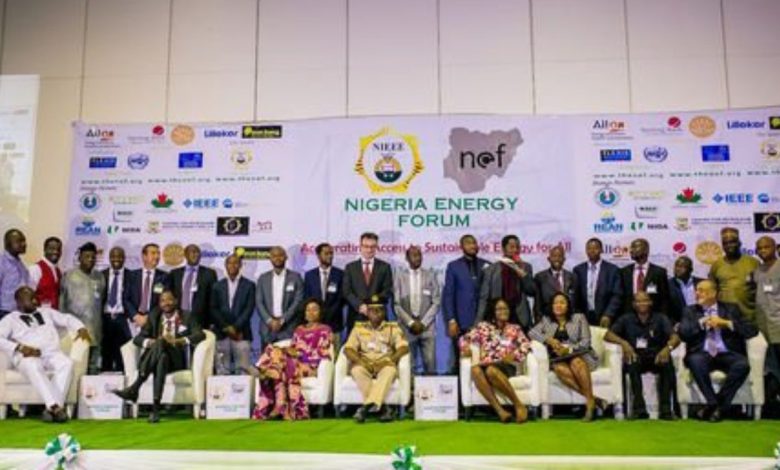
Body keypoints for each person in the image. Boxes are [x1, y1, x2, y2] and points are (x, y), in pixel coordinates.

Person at [0, 286, 91, 422]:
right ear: (19, 302)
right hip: (26, 356)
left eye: (35, 297)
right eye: (31, 299)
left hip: (51, 353)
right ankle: (54, 406)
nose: (35, 301)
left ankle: (52, 409)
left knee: (66, 363)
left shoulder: (46, 312)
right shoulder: (10, 319)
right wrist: (20, 347)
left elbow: (66, 318)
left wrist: (80, 328)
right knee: (33, 365)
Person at [112, 290, 205, 423]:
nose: (166, 303)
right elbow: (138, 339)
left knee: (161, 344)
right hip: (158, 359)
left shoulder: (187, 316)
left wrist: (180, 341)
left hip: (176, 360)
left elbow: (200, 334)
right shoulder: (154, 316)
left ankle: (136, 387)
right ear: (159, 303)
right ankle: (155, 410)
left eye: (169, 300)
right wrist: (150, 342)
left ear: (176, 301)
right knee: (162, 357)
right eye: (163, 301)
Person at [679, 280, 758, 422]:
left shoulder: (731, 309)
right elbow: (683, 333)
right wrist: (700, 323)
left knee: (742, 365)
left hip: (726, 353)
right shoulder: (690, 311)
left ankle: (716, 406)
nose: (697, 293)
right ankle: (714, 403)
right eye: (697, 290)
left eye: (702, 290)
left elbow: (752, 330)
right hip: (702, 353)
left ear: (713, 293)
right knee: (695, 360)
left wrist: (726, 323)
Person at [252, 298, 332, 420]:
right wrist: (290, 351)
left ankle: (266, 370)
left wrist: (300, 355)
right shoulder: (299, 330)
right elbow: (293, 348)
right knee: (273, 349)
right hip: (292, 363)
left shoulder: (325, 330)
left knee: (281, 365)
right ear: (304, 313)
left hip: (309, 366)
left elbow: (323, 353)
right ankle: (279, 403)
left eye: (314, 309)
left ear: (321, 312)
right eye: (308, 310)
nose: (311, 312)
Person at [605, 291, 680, 420]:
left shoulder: (660, 318)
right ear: (634, 304)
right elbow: (607, 334)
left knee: (667, 364)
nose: (642, 303)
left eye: (645, 300)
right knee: (631, 363)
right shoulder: (626, 319)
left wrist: (668, 348)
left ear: (650, 302)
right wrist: (624, 343)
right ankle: (639, 410)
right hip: (636, 355)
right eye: (638, 301)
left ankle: (666, 410)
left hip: (657, 355)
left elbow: (675, 337)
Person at [529, 293, 603, 421]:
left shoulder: (579, 318)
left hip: (579, 354)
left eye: (562, 302)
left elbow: (586, 342)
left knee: (576, 363)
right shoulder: (547, 320)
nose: (558, 305)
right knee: (559, 369)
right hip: (558, 358)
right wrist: (548, 340)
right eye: (555, 303)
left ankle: (590, 405)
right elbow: (532, 332)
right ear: (552, 306)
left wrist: (568, 349)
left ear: (568, 305)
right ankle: (592, 399)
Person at [459, 298, 531, 423]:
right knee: (475, 369)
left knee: (491, 371)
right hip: (486, 363)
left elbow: (526, 345)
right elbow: (463, 339)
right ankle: (500, 411)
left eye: (505, 308)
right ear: (493, 311)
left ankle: (518, 405)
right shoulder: (483, 327)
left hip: (506, 365)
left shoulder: (515, 328)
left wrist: (514, 355)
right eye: (499, 309)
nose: (503, 311)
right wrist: (466, 348)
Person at [344, 295, 409, 423]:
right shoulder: (358, 328)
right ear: (367, 312)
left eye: (379, 309)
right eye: (372, 310)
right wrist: (361, 362)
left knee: (390, 371)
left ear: (384, 312)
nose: (376, 313)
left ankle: (365, 408)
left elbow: (403, 348)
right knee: (356, 370)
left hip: (384, 363)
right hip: (365, 363)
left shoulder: (393, 328)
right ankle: (383, 409)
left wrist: (391, 360)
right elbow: (348, 349)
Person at [442, 234, 490, 373]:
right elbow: (448, 295)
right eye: (468, 243)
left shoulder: (487, 265)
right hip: (462, 321)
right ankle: (461, 387)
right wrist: (451, 320)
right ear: (462, 247)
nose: (472, 246)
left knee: (484, 359)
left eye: (474, 243)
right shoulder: (453, 266)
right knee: (462, 359)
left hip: (484, 320)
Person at [59, 242, 105, 374]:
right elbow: (62, 303)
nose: (90, 259)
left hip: (95, 330)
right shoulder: (69, 276)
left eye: (93, 257)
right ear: (79, 258)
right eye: (86, 256)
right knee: (77, 368)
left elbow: (102, 300)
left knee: (93, 368)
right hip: (77, 331)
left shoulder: (100, 277)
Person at [393, 245, 440, 375]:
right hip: (407, 327)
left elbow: (436, 302)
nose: (418, 258)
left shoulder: (430, 275)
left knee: (430, 363)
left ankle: (431, 387)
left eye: (419, 255)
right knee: (408, 365)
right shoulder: (399, 276)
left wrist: (423, 323)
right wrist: (411, 323)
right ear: (407, 258)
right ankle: (409, 388)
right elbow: (396, 304)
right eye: (414, 255)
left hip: (427, 327)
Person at [210, 254, 255, 375]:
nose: (233, 265)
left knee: (243, 371)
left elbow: (249, 309)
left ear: (240, 265)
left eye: (236, 263)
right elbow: (213, 309)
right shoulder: (217, 286)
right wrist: (226, 327)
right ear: (225, 265)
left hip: (242, 334)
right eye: (230, 263)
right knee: (222, 371)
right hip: (221, 333)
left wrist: (235, 327)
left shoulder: (249, 285)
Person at [478, 235, 535, 329]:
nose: (515, 250)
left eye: (517, 247)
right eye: (512, 247)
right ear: (504, 249)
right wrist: (478, 321)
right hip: (498, 315)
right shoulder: (491, 270)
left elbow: (531, 291)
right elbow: (484, 297)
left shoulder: (526, 267)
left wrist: (523, 274)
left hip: (520, 315)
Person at [342, 232, 393, 337]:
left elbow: (387, 291)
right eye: (366, 246)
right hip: (356, 318)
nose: (369, 250)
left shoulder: (385, 267)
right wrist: (360, 305)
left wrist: (371, 307)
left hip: (378, 319)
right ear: (360, 247)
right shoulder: (350, 267)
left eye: (372, 247)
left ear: (377, 247)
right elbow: (346, 291)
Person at [709, 227, 759, 324]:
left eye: (732, 242)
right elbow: (713, 290)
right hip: (725, 318)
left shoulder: (753, 263)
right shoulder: (716, 265)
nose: (729, 246)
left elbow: (760, 290)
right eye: (725, 243)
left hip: (748, 316)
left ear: (739, 243)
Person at [256, 246, 304, 346]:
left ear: (286, 257)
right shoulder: (263, 278)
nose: (277, 258)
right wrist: (269, 321)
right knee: (266, 356)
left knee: (288, 356)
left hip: (288, 328)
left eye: (280, 255)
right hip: (267, 329)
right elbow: (259, 302)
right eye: (274, 256)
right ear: (270, 258)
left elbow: (298, 301)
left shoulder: (296, 277)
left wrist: (282, 320)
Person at [753, 237, 780, 406]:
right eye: (759, 248)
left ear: (775, 248)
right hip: (764, 327)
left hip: (779, 324)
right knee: (771, 366)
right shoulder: (758, 270)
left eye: (766, 247)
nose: (763, 250)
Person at [573, 237, 623, 327]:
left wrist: (608, 314)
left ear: (601, 250)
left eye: (595, 248)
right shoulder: (578, 270)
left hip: (605, 316)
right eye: (589, 248)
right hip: (583, 316)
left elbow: (617, 295)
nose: (592, 251)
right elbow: (575, 295)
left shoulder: (612, 270)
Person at [303, 243, 345, 349]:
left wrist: (326, 314)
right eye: (326, 253)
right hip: (314, 325)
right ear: (318, 256)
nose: (330, 256)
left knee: (334, 355)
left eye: (331, 253)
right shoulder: (309, 275)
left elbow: (342, 298)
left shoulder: (340, 274)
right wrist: (316, 315)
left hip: (334, 324)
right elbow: (307, 298)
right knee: (314, 354)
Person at [123, 243, 170, 332]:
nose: (157, 256)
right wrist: (135, 316)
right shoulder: (131, 275)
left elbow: (163, 301)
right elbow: (125, 298)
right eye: (153, 253)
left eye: (158, 253)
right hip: (133, 322)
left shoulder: (164, 277)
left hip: (154, 322)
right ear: (144, 256)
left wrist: (148, 317)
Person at [170, 244, 217, 329]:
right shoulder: (175, 273)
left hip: (201, 319)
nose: (196, 254)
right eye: (193, 252)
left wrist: (212, 320)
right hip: (179, 316)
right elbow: (171, 295)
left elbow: (213, 299)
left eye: (198, 252)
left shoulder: (209, 273)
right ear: (185, 255)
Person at [620, 238, 669, 318]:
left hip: (653, 317)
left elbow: (664, 299)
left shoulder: (659, 272)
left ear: (646, 250)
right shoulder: (624, 272)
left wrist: (663, 318)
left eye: (635, 247)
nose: (631, 250)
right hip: (629, 316)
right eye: (631, 248)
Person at [101, 246, 130, 372]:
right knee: (105, 353)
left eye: (119, 256)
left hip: (123, 318)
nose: (116, 259)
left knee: (123, 354)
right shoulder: (101, 275)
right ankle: (104, 377)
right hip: (105, 318)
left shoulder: (131, 275)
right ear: (109, 258)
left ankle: (122, 378)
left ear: (124, 258)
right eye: (113, 256)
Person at [534, 245, 577, 323]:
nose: (557, 259)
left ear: (564, 259)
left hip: (568, 320)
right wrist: (538, 320)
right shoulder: (540, 277)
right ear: (549, 259)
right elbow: (538, 303)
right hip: (547, 320)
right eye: (554, 256)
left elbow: (576, 301)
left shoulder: (572, 277)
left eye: (560, 256)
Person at [0, 229, 30, 319]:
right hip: (4, 312)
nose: (24, 244)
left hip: (19, 312)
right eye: (19, 241)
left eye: (24, 241)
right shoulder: (2, 263)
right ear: (7, 244)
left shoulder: (21, 264)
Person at [28, 236, 62, 310]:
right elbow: (28, 295)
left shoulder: (58, 271)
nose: (56, 252)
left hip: (54, 313)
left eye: (58, 249)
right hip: (39, 312)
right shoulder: (35, 269)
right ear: (45, 250)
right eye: (52, 249)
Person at [668, 256, 704, 325]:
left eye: (681, 266)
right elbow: (666, 308)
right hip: (679, 323)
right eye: (676, 266)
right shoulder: (668, 285)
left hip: (700, 321)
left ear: (690, 269)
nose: (677, 269)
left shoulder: (701, 283)